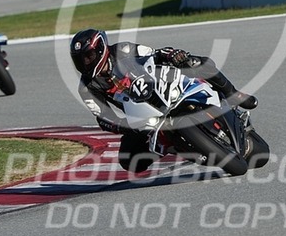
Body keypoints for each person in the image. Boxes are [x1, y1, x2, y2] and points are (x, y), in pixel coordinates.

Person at [69, 28, 258, 172]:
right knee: (128, 161)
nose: (85, 62)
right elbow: (102, 116)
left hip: (161, 86)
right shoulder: (86, 88)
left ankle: (234, 94)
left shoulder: (122, 50)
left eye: (88, 56)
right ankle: (174, 146)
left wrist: (172, 55)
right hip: (141, 114)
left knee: (195, 63)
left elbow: (154, 53)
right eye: (80, 59)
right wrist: (122, 126)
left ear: (101, 49)